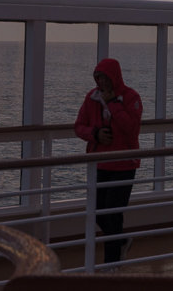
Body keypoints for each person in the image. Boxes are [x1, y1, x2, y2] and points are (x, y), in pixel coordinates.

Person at [74, 57, 142, 264]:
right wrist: (95, 134)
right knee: (99, 212)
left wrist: (113, 104)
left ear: (115, 77)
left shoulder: (131, 98)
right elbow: (79, 126)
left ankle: (111, 264)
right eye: (99, 78)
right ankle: (120, 244)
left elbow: (131, 129)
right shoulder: (91, 98)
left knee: (113, 212)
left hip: (123, 164)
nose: (102, 82)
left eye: (105, 78)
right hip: (99, 163)